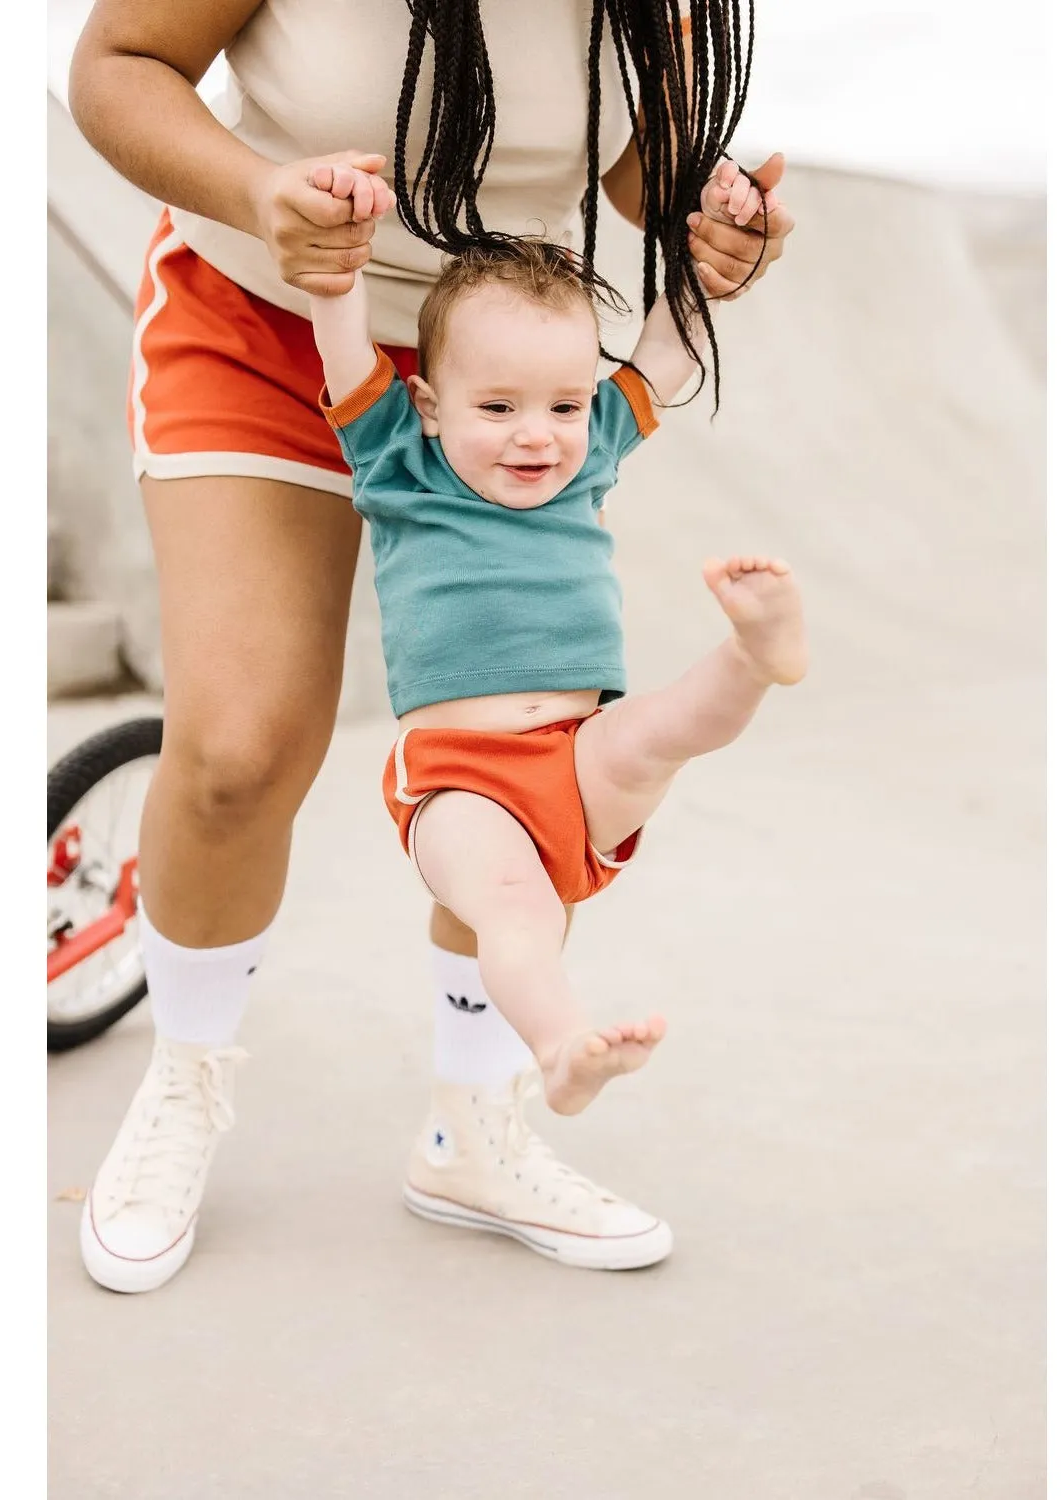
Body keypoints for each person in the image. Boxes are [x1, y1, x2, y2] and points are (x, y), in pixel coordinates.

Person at [69, 0, 796, 1294]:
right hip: (269, 314)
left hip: (506, 358)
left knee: (528, 755)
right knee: (239, 749)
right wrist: (259, 188)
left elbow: (642, 166)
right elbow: (118, 66)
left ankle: (474, 1123)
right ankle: (184, 1080)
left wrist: (711, 224)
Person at [306, 180, 808, 1128]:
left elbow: (662, 354)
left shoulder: (592, 448)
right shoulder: (396, 457)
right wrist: (339, 254)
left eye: (564, 405)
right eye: (497, 406)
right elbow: (340, 341)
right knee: (513, 910)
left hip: (582, 755)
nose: (537, 434)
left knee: (657, 732)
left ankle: (755, 651)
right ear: (427, 402)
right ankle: (561, 1049)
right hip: (462, 781)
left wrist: (710, 263)